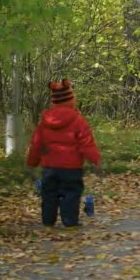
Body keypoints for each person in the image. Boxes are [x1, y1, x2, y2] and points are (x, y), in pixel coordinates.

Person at [27, 79, 101, 227]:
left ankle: (48, 222)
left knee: (49, 194)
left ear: (53, 100)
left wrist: (32, 162)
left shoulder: (44, 121)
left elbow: (36, 144)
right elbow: (86, 143)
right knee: (71, 194)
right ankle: (69, 221)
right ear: (71, 99)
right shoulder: (78, 121)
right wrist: (96, 160)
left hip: (49, 168)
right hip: (72, 168)